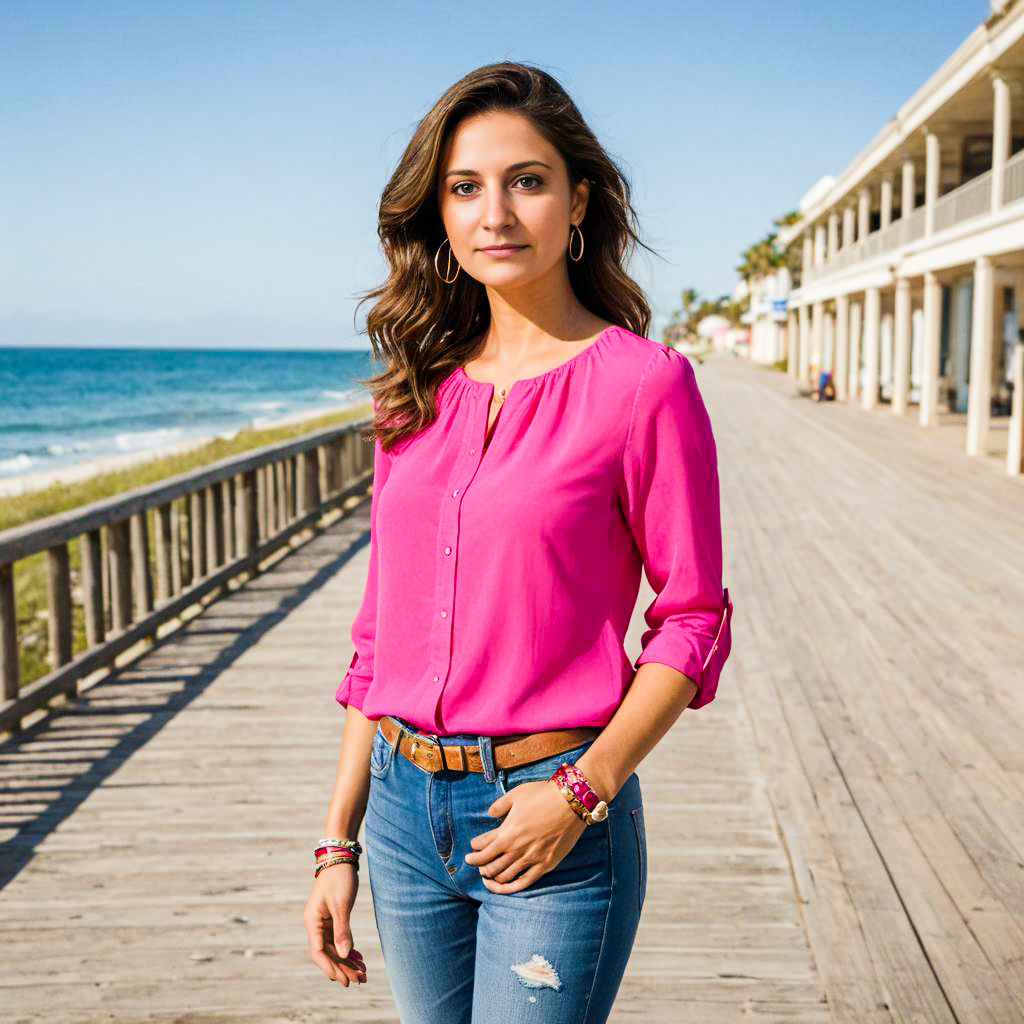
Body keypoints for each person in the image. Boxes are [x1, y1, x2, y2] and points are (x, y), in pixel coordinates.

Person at [302, 60, 734, 1023]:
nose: (494, 212)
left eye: (525, 180)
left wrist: (583, 791)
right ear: (440, 219)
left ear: (577, 200)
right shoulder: (414, 397)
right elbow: (380, 643)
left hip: (553, 813)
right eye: (465, 187)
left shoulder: (644, 385)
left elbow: (693, 620)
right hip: (404, 816)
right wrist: (338, 841)